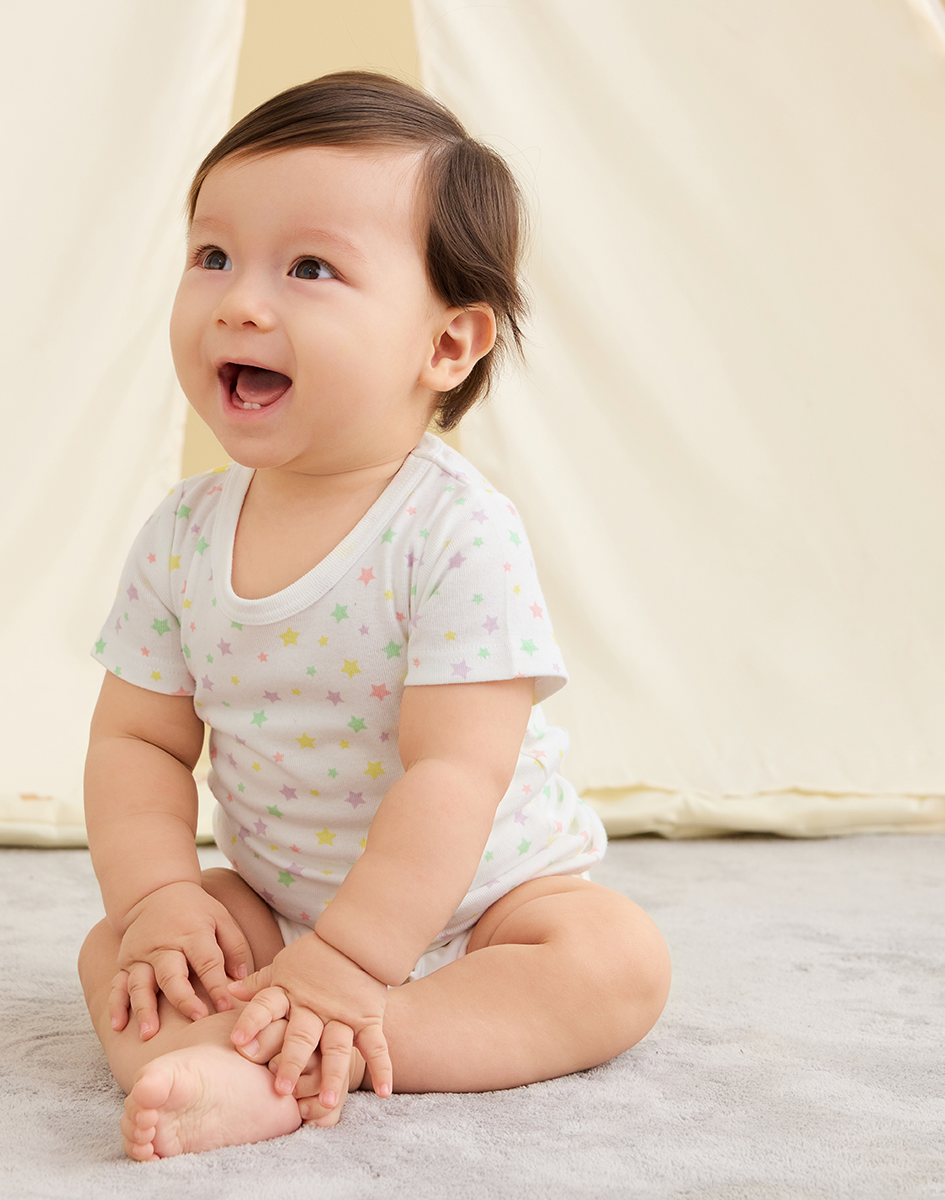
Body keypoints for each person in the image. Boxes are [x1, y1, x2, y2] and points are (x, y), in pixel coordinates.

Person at [78, 71, 670, 1161]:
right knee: (117, 956)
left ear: (446, 346)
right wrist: (160, 896)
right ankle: (251, 1056)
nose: (239, 302)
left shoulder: (456, 532)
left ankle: (345, 1044)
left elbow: (456, 773)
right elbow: (138, 742)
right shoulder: (182, 534)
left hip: (485, 906)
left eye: (309, 268)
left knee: (615, 961)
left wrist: (353, 963)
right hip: (278, 902)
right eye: (213, 256)